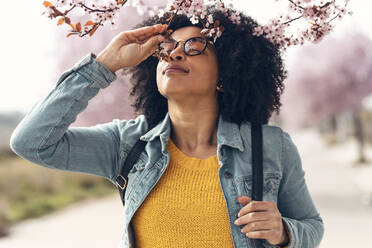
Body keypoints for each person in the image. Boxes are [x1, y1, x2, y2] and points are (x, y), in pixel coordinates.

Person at [10, 5, 324, 248]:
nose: (174, 52)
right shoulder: (127, 143)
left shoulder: (271, 145)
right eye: (167, 47)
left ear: (226, 73)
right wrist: (104, 65)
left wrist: (284, 232)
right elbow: (31, 142)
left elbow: (311, 225)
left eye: (194, 46)